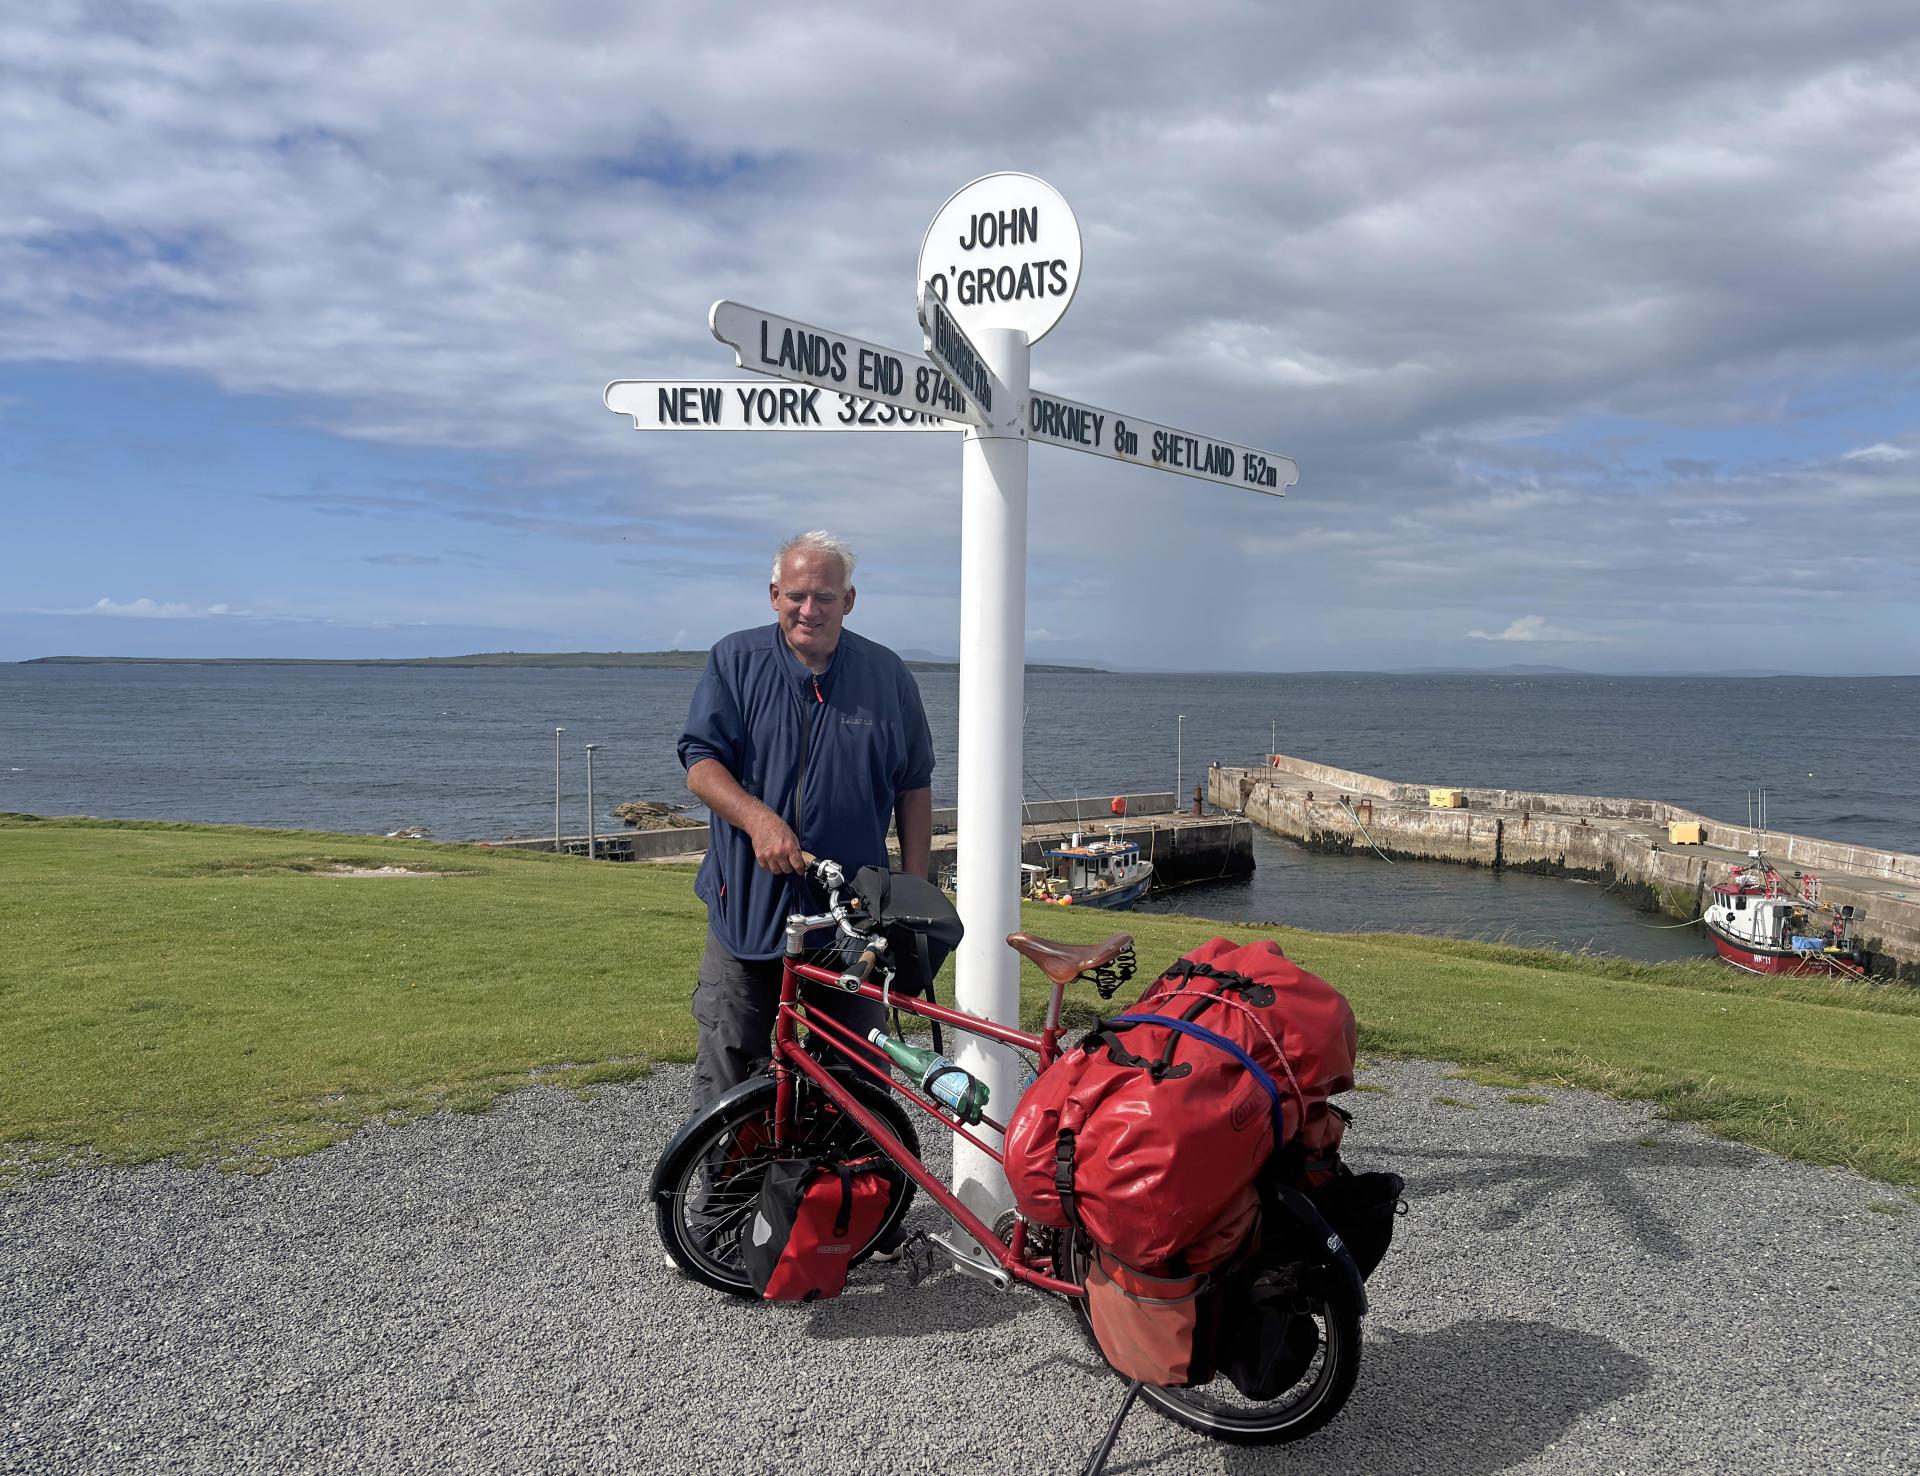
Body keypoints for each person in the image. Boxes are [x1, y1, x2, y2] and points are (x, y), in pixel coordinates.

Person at [677, 530, 935, 1112]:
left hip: (850, 925)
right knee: (728, 1073)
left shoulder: (887, 675)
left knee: (851, 1078)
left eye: (824, 596)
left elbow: (914, 785)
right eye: (796, 596)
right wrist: (758, 820)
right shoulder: (735, 660)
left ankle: (830, 1202)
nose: (808, 610)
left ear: (849, 600)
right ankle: (721, 1205)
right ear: (773, 595)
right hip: (746, 912)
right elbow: (700, 763)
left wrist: (913, 889)